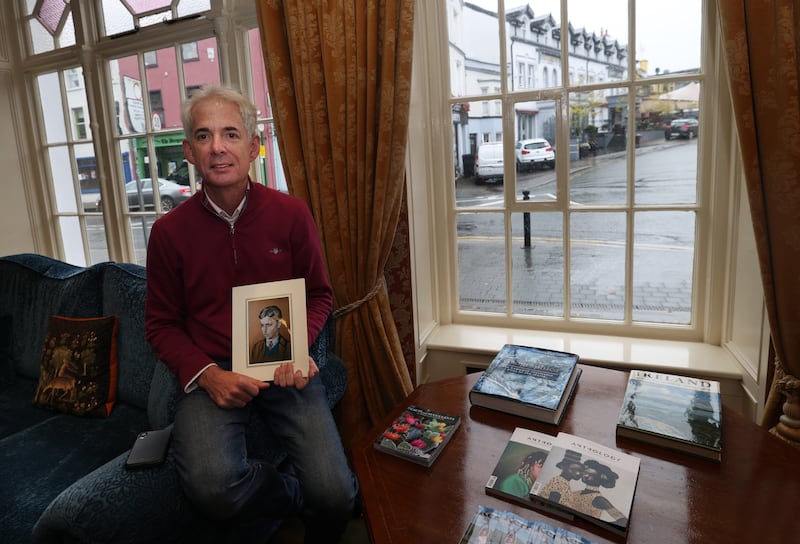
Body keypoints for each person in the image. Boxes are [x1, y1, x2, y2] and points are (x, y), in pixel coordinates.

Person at [144, 83, 358, 543]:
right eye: (203, 136)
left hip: (282, 361)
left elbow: (320, 294)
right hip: (212, 371)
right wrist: (206, 375)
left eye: (230, 134)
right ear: (188, 150)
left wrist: (297, 346)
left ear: (254, 145)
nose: (217, 147)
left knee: (338, 494)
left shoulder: (291, 214)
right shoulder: (167, 233)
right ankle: (295, 497)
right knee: (213, 488)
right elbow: (161, 324)